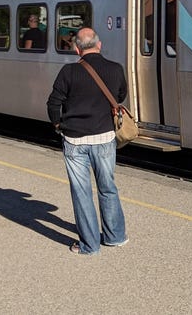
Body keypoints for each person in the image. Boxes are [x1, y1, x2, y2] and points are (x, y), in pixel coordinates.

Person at [46, 27, 128, 255]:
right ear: (99, 45)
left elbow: (53, 103)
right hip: (104, 138)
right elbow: (120, 96)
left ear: (77, 49)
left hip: (75, 141)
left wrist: (58, 125)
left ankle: (90, 245)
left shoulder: (69, 71)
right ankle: (115, 236)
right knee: (107, 187)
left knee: (82, 193)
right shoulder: (115, 69)